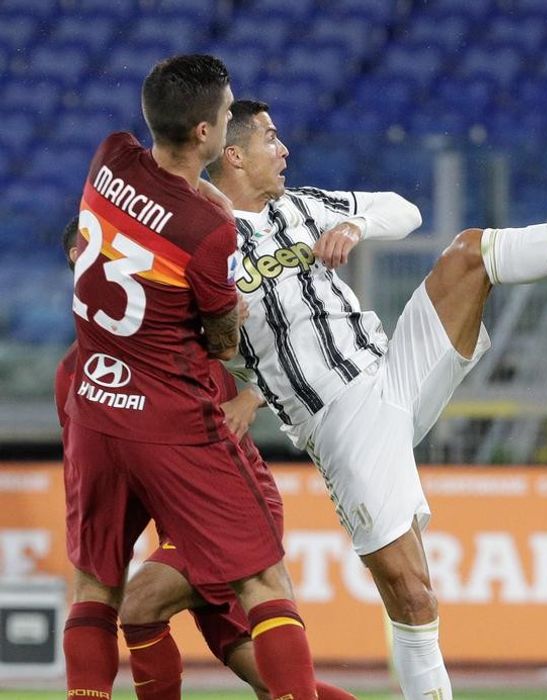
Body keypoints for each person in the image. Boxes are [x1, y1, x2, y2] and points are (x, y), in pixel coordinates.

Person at [205, 98, 547, 699]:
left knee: (468, 255)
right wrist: (239, 366)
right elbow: (201, 338)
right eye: (270, 139)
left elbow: (403, 210)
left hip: (390, 371)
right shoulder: (204, 240)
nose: (284, 149)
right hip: (339, 420)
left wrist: (355, 226)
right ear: (233, 154)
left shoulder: (300, 207)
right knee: (412, 596)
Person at [64, 55, 323, 698]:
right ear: (207, 134)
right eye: (226, 107)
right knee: (264, 585)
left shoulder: (110, 157)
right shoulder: (209, 233)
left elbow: (153, 196)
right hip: (173, 423)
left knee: (96, 590)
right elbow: (221, 336)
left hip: (95, 409)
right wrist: (227, 309)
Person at [55, 218, 354, 700]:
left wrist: (252, 397)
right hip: (182, 524)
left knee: (139, 605)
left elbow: (278, 353)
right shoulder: (75, 373)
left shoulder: (179, 339)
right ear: (80, 260)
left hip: (225, 506)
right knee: (258, 672)